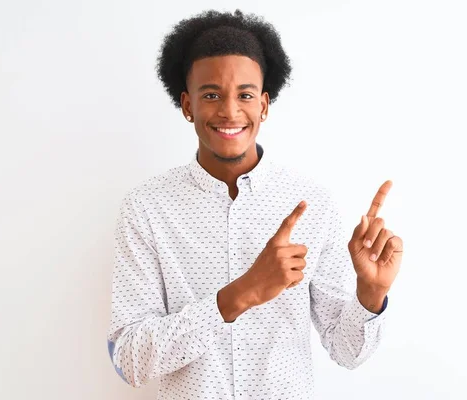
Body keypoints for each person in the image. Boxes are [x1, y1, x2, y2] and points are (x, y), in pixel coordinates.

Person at [106, 9, 404, 400]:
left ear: (264, 105)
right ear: (187, 104)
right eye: (211, 94)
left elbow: (347, 351)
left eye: (245, 95)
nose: (230, 111)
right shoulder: (146, 208)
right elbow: (128, 359)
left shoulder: (312, 203)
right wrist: (243, 292)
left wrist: (370, 293)